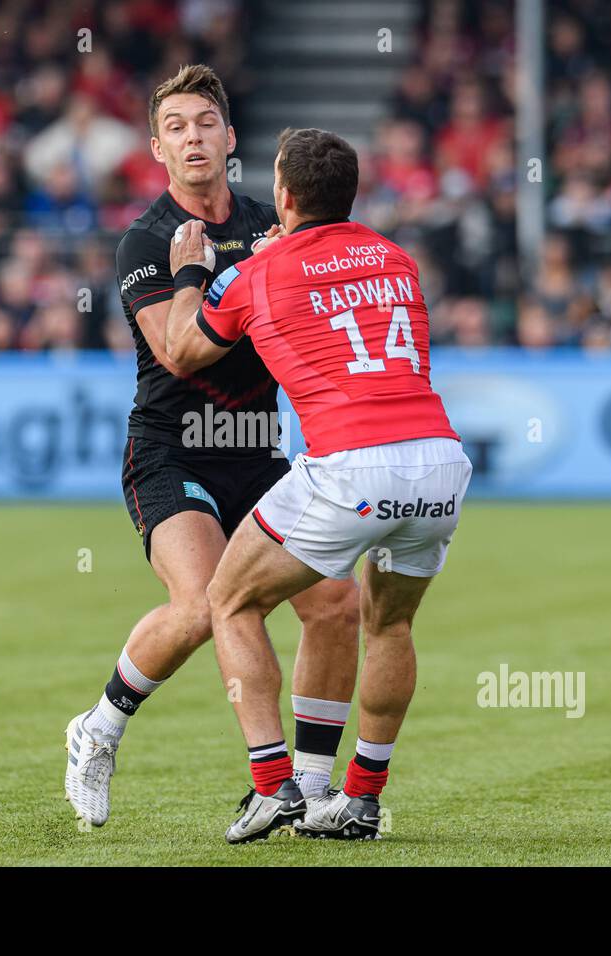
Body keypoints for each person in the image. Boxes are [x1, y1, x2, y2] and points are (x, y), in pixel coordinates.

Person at [62, 67, 361, 828]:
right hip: (172, 452)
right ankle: (98, 730)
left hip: (259, 453)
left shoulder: (275, 221)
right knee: (201, 605)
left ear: (230, 140)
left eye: (205, 123)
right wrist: (202, 271)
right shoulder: (147, 239)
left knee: (334, 603)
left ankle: (312, 787)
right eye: (176, 127)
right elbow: (174, 352)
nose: (192, 137)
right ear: (158, 149)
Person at [164, 128, 473, 843]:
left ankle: (273, 786)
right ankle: (360, 799)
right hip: (439, 459)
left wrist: (191, 272)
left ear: (285, 194)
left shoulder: (258, 274)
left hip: (352, 464)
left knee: (229, 599)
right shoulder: (396, 256)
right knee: (389, 623)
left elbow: (182, 350)